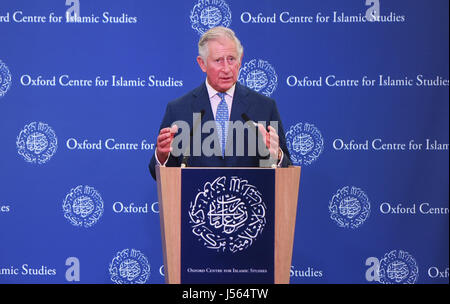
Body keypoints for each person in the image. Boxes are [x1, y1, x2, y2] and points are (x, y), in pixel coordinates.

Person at [149, 26, 291, 180]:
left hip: (248, 200)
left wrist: (277, 155)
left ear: (240, 60)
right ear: (202, 64)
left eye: (231, 59)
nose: (227, 68)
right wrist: (161, 156)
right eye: (218, 60)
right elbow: (159, 174)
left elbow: (287, 169)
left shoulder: (264, 107)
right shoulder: (178, 109)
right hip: (197, 201)